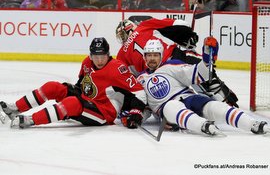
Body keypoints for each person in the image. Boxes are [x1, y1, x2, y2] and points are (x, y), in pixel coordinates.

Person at [0, 37, 146, 129]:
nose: (99, 60)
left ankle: (30, 120)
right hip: (87, 100)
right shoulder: (87, 62)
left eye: (103, 56)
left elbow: (138, 90)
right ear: (90, 55)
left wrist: (137, 111)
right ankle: (15, 108)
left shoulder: (117, 68)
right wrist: (70, 90)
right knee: (52, 87)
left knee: (72, 103)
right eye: (96, 56)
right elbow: (82, 83)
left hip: (103, 112)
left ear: (108, 55)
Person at [136, 39, 270, 136]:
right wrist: (136, 116)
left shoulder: (171, 66)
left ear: (161, 55)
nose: (152, 58)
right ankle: (204, 126)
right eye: (149, 55)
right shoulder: (140, 80)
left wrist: (207, 57)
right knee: (171, 106)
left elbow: (197, 74)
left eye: (155, 55)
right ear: (144, 57)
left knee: (215, 106)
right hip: (167, 110)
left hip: (189, 98)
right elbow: (142, 105)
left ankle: (253, 124)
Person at [115, 18, 239, 107]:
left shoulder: (121, 54)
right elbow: (177, 24)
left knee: (170, 97)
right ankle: (223, 97)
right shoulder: (144, 25)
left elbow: (126, 79)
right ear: (132, 26)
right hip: (174, 57)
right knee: (204, 69)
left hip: (156, 74)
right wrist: (187, 36)